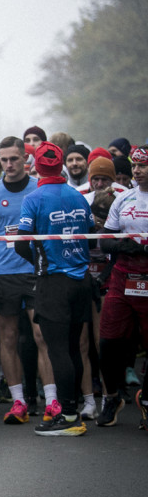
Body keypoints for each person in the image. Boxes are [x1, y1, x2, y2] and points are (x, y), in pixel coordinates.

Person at [15, 142, 95, 436]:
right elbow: (93, 239)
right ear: (61, 166)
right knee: (73, 349)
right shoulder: (78, 196)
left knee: (57, 350)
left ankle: (70, 416)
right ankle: (74, 411)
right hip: (81, 280)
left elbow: (21, 243)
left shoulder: (33, 198)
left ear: (36, 166)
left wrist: (41, 260)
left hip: (53, 282)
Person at [0, 136, 54, 423]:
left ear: (26, 158)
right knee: (8, 337)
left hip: (35, 272)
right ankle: (19, 402)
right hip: (4, 274)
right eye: (4, 159)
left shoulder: (39, 189)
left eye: (14, 158)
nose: (9, 164)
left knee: (40, 336)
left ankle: (52, 401)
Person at [96, 146, 148, 428]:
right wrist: (123, 244)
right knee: (107, 343)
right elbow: (104, 240)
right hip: (123, 278)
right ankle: (112, 396)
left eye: (143, 166)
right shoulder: (123, 199)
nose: (137, 171)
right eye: (134, 166)